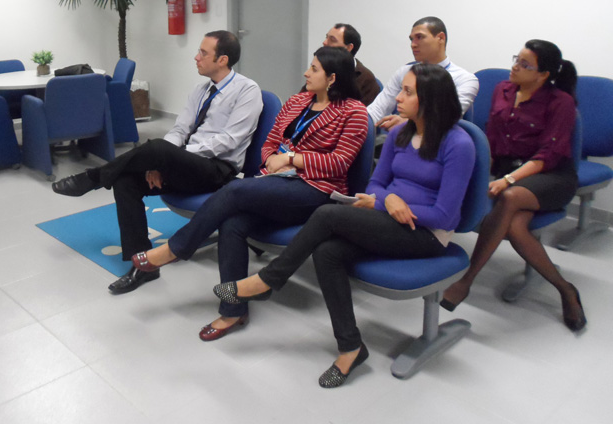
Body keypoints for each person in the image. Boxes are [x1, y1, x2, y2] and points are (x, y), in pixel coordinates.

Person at [214, 63, 475, 388]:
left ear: (431, 99)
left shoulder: (458, 144)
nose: (398, 97)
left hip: (427, 235)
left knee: (328, 215)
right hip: (387, 220)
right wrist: (387, 201)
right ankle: (351, 347)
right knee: (327, 252)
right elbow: (375, 184)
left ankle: (268, 280)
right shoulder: (399, 134)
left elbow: (446, 216)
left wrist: (387, 203)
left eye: (408, 92)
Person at [131, 46, 369, 340]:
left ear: (332, 78)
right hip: (278, 180)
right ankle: (233, 311)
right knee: (232, 223)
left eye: (314, 69)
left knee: (234, 191)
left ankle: (176, 249)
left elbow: (339, 163)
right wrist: (273, 160)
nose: (306, 73)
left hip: (315, 190)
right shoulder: (297, 101)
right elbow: (270, 142)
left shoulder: (353, 112)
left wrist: (292, 159)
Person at [52, 31, 263, 295]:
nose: (196, 57)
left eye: (203, 53)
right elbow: (180, 129)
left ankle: (93, 178)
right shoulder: (200, 90)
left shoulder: (247, 91)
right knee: (126, 180)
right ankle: (143, 267)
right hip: (186, 166)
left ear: (223, 60)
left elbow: (229, 141)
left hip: (218, 170)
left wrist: (172, 156)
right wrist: (164, 160)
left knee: (158, 148)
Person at [441, 40, 586, 331]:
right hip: (511, 173)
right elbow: (492, 139)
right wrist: (483, 175)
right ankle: (566, 289)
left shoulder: (561, 102)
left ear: (543, 74)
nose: (515, 67)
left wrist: (508, 180)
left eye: (524, 64)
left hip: (552, 176)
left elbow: (547, 156)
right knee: (517, 227)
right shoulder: (503, 90)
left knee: (509, 198)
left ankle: (467, 280)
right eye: (516, 59)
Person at [368, 16, 478, 130]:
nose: (413, 44)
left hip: (439, 138)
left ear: (440, 38)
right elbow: (377, 110)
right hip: (397, 136)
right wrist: (360, 120)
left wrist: (408, 123)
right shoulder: (404, 72)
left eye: (419, 37)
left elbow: (448, 117)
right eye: (411, 39)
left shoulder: (465, 79)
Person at [320, 24, 381, 105]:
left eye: (332, 40)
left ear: (348, 48)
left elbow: (364, 112)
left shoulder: (366, 79)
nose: (324, 43)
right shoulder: (320, 69)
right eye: (326, 37)